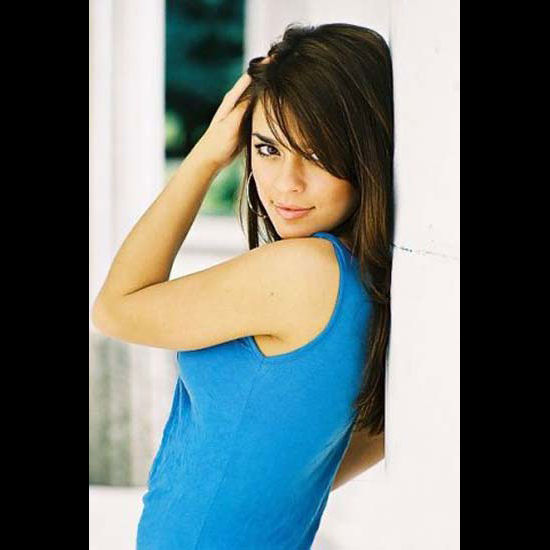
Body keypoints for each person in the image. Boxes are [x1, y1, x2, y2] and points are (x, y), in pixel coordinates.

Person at [92, 21, 393, 550]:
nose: (286, 183)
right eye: (268, 149)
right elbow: (343, 450)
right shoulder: (359, 280)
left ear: (364, 153)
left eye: (318, 154)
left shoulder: (304, 271)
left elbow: (116, 308)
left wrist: (208, 153)